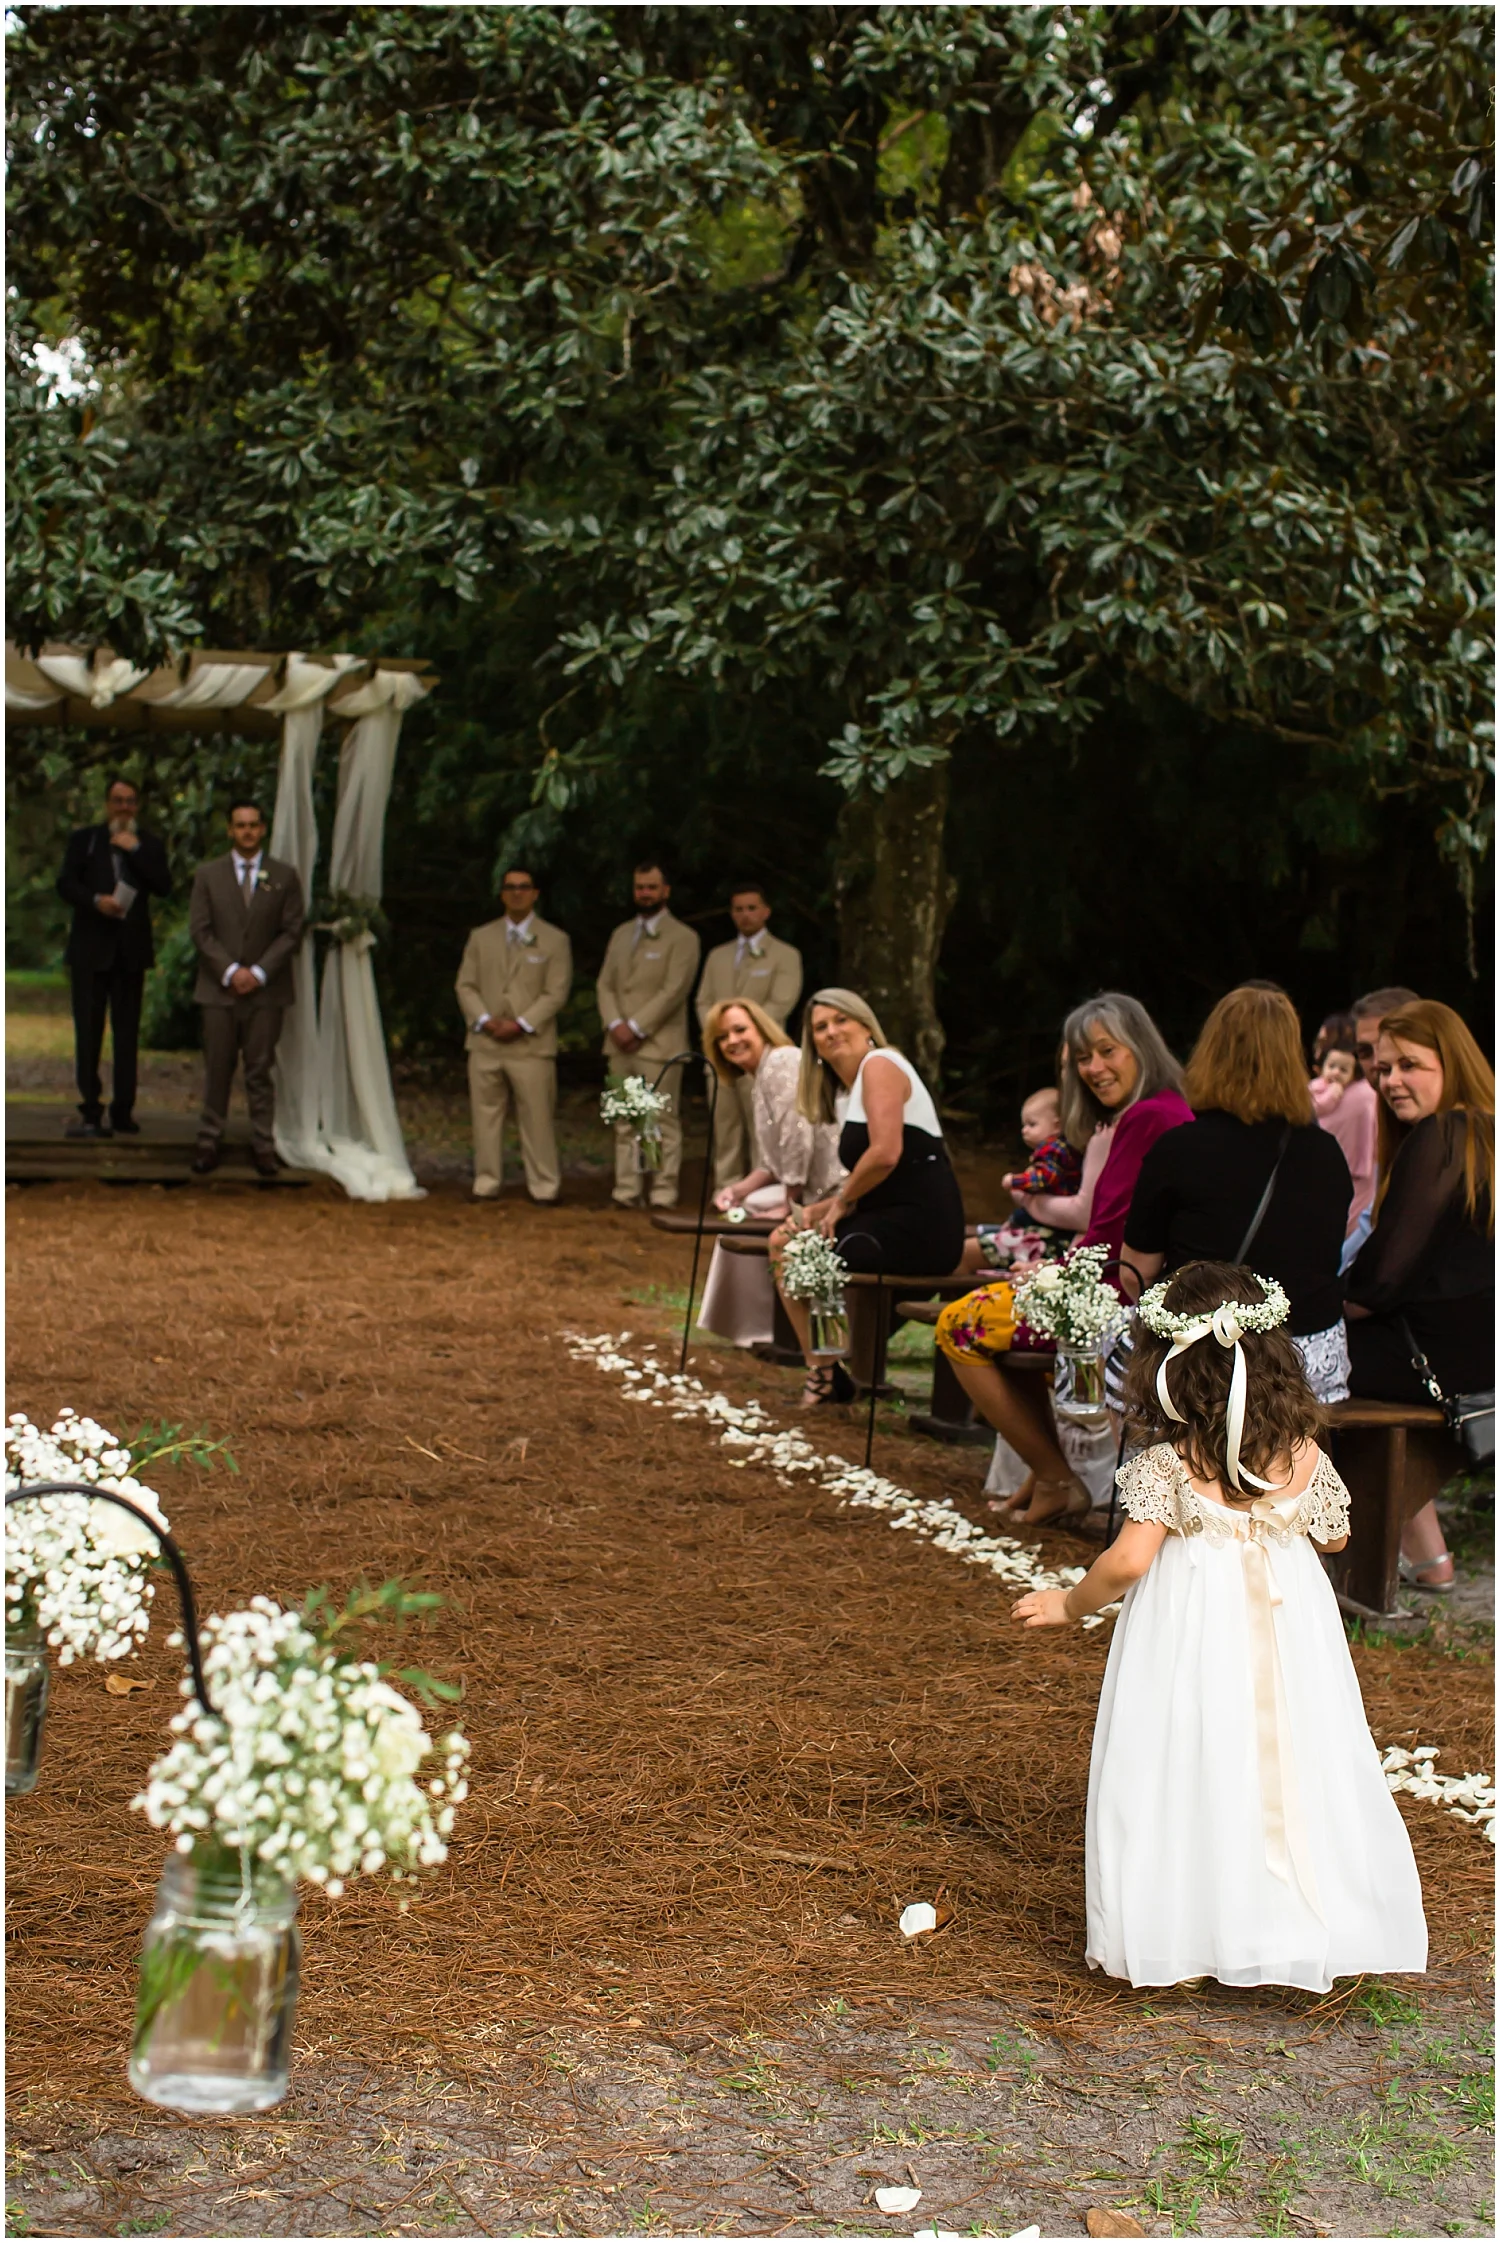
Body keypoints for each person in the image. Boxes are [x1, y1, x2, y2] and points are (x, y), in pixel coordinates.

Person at [1012, 1260, 1427, 1994]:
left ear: (1168, 1368)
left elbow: (1130, 1560)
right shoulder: (1304, 1451)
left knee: (1191, 1755)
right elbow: (1334, 1538)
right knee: (1292, 1758)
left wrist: (1069, 1603)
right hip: (1289, 1627)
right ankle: (1298, 1918)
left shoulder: (1171, 1461)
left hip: (1192, 1631)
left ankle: (1189, 1926)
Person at [935, 992, 1191, 1525]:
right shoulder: (1154, 1110)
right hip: (1108, 1284)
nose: (1094, 1068)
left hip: (1112, 1298)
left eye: (1107, 1051)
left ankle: (1056, 1477)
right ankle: (1043, 1472)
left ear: (1140, 1046)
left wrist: (1056, 1275)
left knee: (956, 1324)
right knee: (982, 1319)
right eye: (1082, 1057)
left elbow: (1116, 1232)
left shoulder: (1148, 1116)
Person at [1120, 985, 1354, 1405]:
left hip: (1208, 1366)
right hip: (1308, 1365)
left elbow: (1134, 1272)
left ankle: (1122, 1469)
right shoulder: (1327, 1153)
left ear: (1209, 1053)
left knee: (1109, 1347)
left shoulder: (1179, 1149)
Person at [1345, 1000, 1495, 1593]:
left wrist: (1312, 1303)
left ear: (1450, 1062)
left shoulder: (1445, 1132)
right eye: (1383, 1069)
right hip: (1473, 1350)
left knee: (1278, 1361)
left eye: (1410, 1065)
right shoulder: (1484, 1131)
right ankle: (1426, 1554)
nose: (1391, 1081)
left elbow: (1382, 1281)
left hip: (1436, 1358)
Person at [770, 989, 965, 1406]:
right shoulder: (853, 1088)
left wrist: (837, 1206)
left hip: (920, 1226)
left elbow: (885, 1154)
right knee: (787, 1238)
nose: (831, 1031)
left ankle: (825, 1372)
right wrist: (815, 1211)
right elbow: (873, 1180)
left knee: (796, 1250)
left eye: (841, 1020)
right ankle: (826, 1368)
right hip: (892, 1216)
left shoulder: (881, 1064)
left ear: (865, 1025)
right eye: (820, 1027)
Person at [697, 997, 844, 1348]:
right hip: (804, 1183)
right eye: (722, 1037)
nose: (732, 1041)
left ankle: (760, 1324)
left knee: (758, 1217)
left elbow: (799, 1135)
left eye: (740, 1030)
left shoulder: (782, 1061)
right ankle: (750, 1322)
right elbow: (771, 1163)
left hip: (830, 1185)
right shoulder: (759, 1077)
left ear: (761, 1029)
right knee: (743, 1209)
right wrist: (738, 1189)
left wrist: (789, 1203)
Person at [187, 800, 306, 1178]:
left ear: (263, 828)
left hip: (265, 992)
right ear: (230, 830)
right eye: (240, 825)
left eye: (253, 825)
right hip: (218, 990)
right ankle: (208, 1141)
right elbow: (200, 931)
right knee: (218, 1068)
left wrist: (257, 971)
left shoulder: (283, 876)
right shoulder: (208, 875)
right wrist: (230, 971)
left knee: (259, 1070)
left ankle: (263, 1145)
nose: (247, 832)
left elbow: (292, 931)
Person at [55, 774, 172, 1139]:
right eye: (118, 801)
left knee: (126, 1035)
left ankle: (124, 1110)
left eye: (130, 802)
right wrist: (95, 901)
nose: (124, 808)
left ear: (137, 806)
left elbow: (164, 886)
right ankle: (90, 1109)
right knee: (88, 1033)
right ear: (107, 805)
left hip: (130, 953)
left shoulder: (149, 844)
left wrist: (134, 850)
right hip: (90, 950)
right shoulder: (85, 841)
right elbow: (65, 883)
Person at [455, 865, 573, 1204]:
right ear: (502, 894)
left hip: (531, 1045)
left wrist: (522, 1023)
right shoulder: (481, 937)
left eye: (523, 887)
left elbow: (556, 992)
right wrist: (485, 1019)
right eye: (510, 887)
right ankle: (487, 1182)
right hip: (485, 1042)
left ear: (535, 893)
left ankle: (544, 1186)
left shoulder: (555, 939)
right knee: (485, 1116)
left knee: (537, 1118)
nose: (516, 892)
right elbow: (465, 984)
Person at [596, 861, 702, 1209]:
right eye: (640, 887)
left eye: (651, 887)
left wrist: (637, 1027)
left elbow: (675, 990)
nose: (644, 893)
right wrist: (615, 1025)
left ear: (665, 891)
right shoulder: (621, 934)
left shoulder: (683, 938)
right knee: (625, 1120)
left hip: (659, 1045)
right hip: (619, 1044)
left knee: (660, 1120)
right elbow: (605, 984)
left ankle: (662, 1189)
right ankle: (626, 1191)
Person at [695, 883, 804, 1191]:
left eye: (751, 908)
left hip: (761, 1056)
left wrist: (744, 1033)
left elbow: (782, 1003)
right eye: (738, 909)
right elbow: (703, 1000)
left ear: (766, 912)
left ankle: (764, 1191)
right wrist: (722, 1034)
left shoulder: (785, 955)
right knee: (724, 1129)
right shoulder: (717, 956)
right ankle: (727, 1191)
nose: (745, 915)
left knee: (764, 1130)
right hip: (722, 1058)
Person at [1343, 985, 1422, 1265]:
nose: (1379, 1063)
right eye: (1365, 1051)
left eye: (1389, 1046)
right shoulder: (1395, 1123)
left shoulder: (1455, 1132)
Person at [1309, 1035, 1378, 1239]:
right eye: (1332, 1066)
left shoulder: (1361, 1095)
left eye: (1343, 1069)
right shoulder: (1316, 1088)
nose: (1336, 1073)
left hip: (1352, 1172)